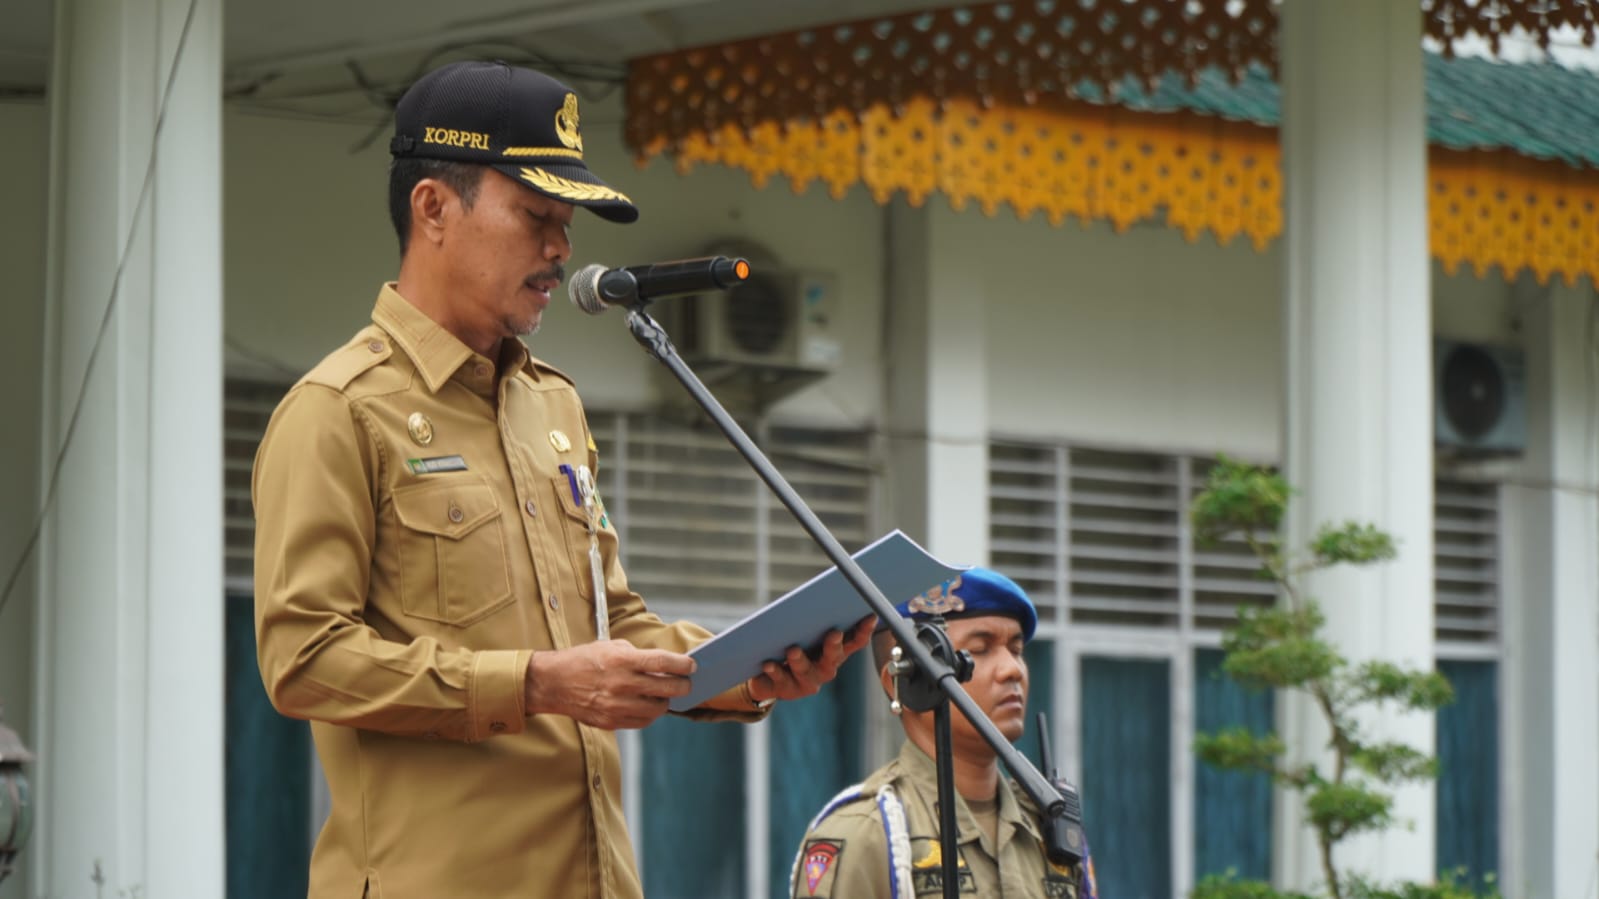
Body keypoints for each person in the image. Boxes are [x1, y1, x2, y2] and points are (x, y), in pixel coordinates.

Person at [251, 60, 873, 899]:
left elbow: (607, 621)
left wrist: (740, 670)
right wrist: (537, 682)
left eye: (568, 223)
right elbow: (303, 659)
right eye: (536, 215)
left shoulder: (552, 407)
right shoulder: (338, 410)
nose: (561, 250)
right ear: (433, 207)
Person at [790, 568, 1098, 899]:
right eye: (979, 650)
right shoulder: (868, 831)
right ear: (903, 682)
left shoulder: (1050, 828)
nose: (1012, 669)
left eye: (1016, 649)